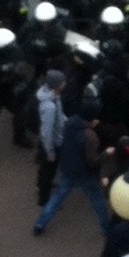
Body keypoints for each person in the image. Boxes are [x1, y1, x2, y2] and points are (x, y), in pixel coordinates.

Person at [33, 99, 112, 237]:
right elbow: (92, 162)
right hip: (85, 173)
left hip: (68, 168)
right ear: (93, 119)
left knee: (58, 196)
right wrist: (106, 154)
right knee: (97, 199)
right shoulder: (90, 136)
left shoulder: (70, 123)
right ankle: (107, 229)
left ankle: (40, 224)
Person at [34, 69, 66, 207]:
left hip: (49, 143)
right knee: (49, 171)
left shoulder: (51, 95)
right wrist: (50, 152)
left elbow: (60, 115)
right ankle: (44, 200)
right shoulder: (49, 106)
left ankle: (40, 185)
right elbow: (47, 132)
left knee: (45, 169)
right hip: (52, 144)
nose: (65, 84)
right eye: (62, 82)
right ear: (57, 85)